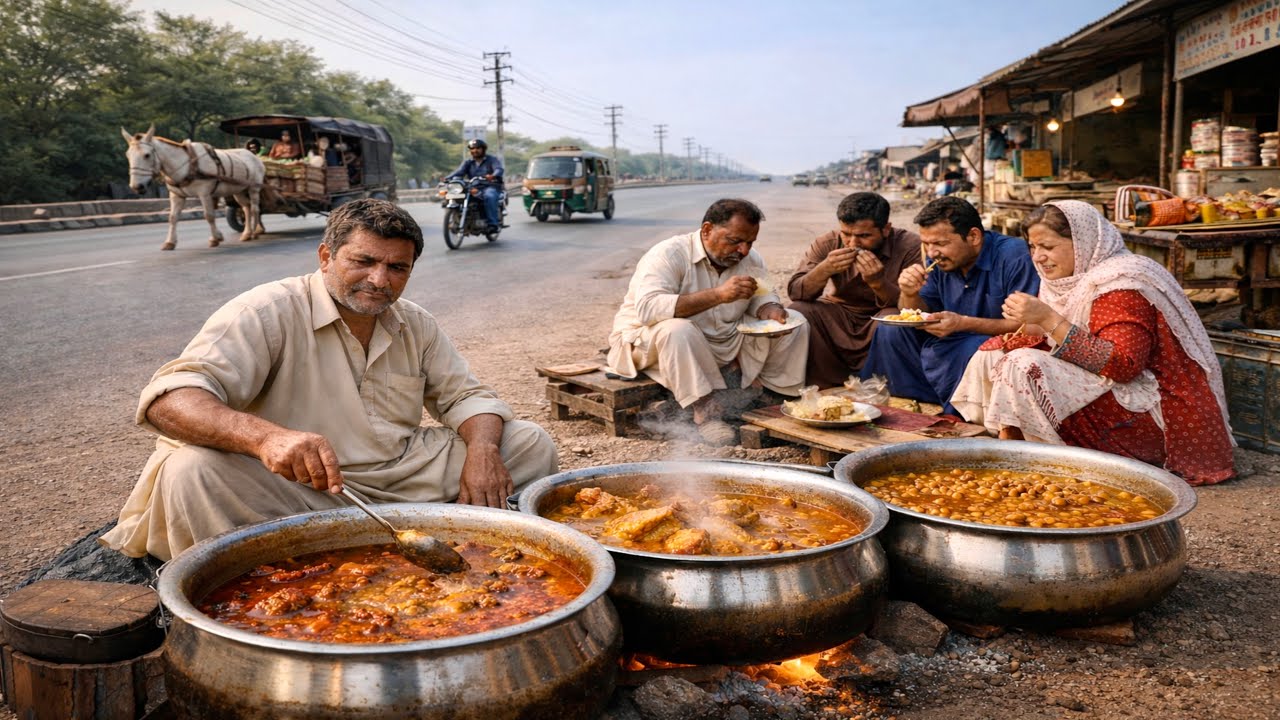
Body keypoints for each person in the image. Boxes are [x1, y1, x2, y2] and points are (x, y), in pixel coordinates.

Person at [99, 199, 558, 561]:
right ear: (326, 256)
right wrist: (266, 439)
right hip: (306, 489)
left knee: (528, 442)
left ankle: (436, 540)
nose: (379, 280)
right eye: (363, 261)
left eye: (397, 268)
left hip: (398, 477)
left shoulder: (414, 323)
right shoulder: (267, 309)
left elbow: (468, 396)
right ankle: (394, 538)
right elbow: (171, 399)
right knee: (191, 472)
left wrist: (482, 452)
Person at [951, 200, 1235, 485]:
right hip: (1113, 390)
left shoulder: (1121, 283)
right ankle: (1015, 447)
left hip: (1159, 413)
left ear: (1083, 242)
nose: (1038, 257)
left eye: (1047, 247)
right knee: (993, 352)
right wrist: (1028, 328)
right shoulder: (1070, 278)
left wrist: (1048, 318)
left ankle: (1038, 462)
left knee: (1022, 365)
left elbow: (1123, 365)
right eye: (1033, 248)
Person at [605, 198, 809, 446]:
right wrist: (718, 295)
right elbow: (649, 309)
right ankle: (705, 412)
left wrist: (771, 308)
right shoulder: (669, 254)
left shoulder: (750, 258)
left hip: (721, 337)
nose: (743, 250)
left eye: (750, 242)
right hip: (654, 343)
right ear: (707, 230)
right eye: (734, 241)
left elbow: (764, 294)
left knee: (795, 322)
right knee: (678, 329)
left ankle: (774, 396)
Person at [859, 196, 1038, 415]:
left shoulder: (1014, 257)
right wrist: (909, 292)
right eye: (926, 244)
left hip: (994, 346)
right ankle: (910, 407)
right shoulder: (939, 260)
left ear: (973, 236)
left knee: (972, 348)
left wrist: (963, 323)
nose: (932, 253)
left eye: (941, 244)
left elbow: (1027, 327)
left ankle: (957, 417)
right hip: (952, 340)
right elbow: (919, 312)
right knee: (890, 330)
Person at [786, 192, 921, 388]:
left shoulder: (910, 246)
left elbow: (914, 306)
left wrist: (878, 282)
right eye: (846, 234)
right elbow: (796, 292)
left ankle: (886, 388)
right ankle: (827, 387)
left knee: (892, 320)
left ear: (886, 229)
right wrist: (824, 269)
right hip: (840, 315)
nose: (853, 244)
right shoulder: (828, 243)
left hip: (882, 314)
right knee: (799, 310)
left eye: (864, 236)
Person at [446, 138, 504, 234]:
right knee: (456, 190)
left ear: (483, 149)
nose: (475, 150)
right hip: (473, 186)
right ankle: (461, 217)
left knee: (489, 196)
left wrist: (493, 175)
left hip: (490, 186)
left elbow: (499, 169)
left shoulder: (492, 160)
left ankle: (492, 224)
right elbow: (459, 172)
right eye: (472, 148)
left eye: (478, 148)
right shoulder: (468, 162)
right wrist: (447, 178)